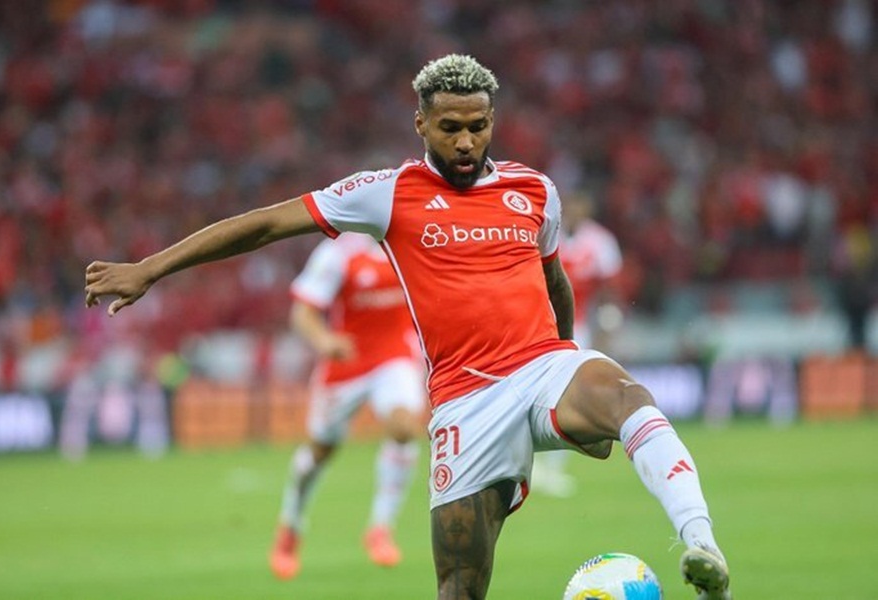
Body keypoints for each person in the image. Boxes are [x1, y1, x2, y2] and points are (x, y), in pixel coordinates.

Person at [84, 54, 731, 600]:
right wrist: (151, 269)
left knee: (628, 397)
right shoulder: (388, 192)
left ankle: (702, 548)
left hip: (543, 367)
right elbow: (266, 224)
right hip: (466, 404)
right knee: (460, 587)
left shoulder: (535, 191)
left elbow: (553, 280)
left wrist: (568, 367)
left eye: (478, 126)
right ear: (420, 122)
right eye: (450, 128)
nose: (466, 142)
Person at [269, 232, 425, 579]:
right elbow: (303, 312)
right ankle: (291, 526)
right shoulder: (338, 253)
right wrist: (324, 340)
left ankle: (380, 528)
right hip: (346, 361)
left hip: (394, 356)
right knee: (320, 451)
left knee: (404, 428)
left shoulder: (411, 240)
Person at [532, 189, 624, 498]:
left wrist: (607, 326)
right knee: (536, 393)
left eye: (579, 206)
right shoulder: (545, 232)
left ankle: (553, 468)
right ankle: (530, 463)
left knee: (568, 396)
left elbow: (610, 289)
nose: (574, 211)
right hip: (536, 325)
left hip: (577, 328)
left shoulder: (601, 242)